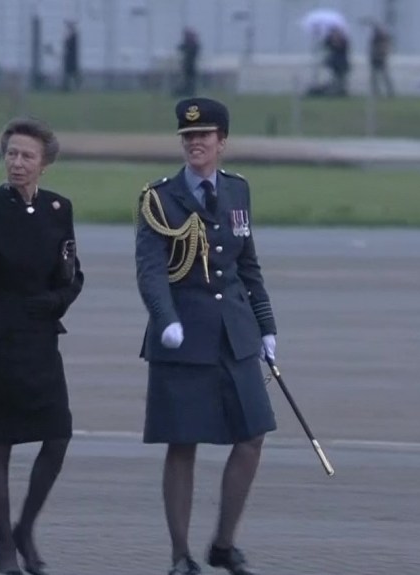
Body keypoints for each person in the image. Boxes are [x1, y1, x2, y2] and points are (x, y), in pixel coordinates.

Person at [133, 98, 278, 575]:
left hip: (234, 334)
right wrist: (165, 317)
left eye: (205, 135)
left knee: (253, 434)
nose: (195, 143)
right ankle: (180, 556)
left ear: (222, 142)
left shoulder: (238, 191)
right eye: (188, 137)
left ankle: (223, 543)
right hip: (183, 336)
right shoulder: (160, 198)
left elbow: (248, 265)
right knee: (183, 444)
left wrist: (267, 326)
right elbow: (151, 271)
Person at [0, 117, 84, 575]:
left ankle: (26, 526)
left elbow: (72, 272)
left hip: (41, 342)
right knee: (0, 445)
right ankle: (5, 544)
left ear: (44, 163)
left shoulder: (57, 209)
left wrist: (57, 300)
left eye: (27, 156)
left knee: (59, 435)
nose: (17, 163)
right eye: (11, 154)